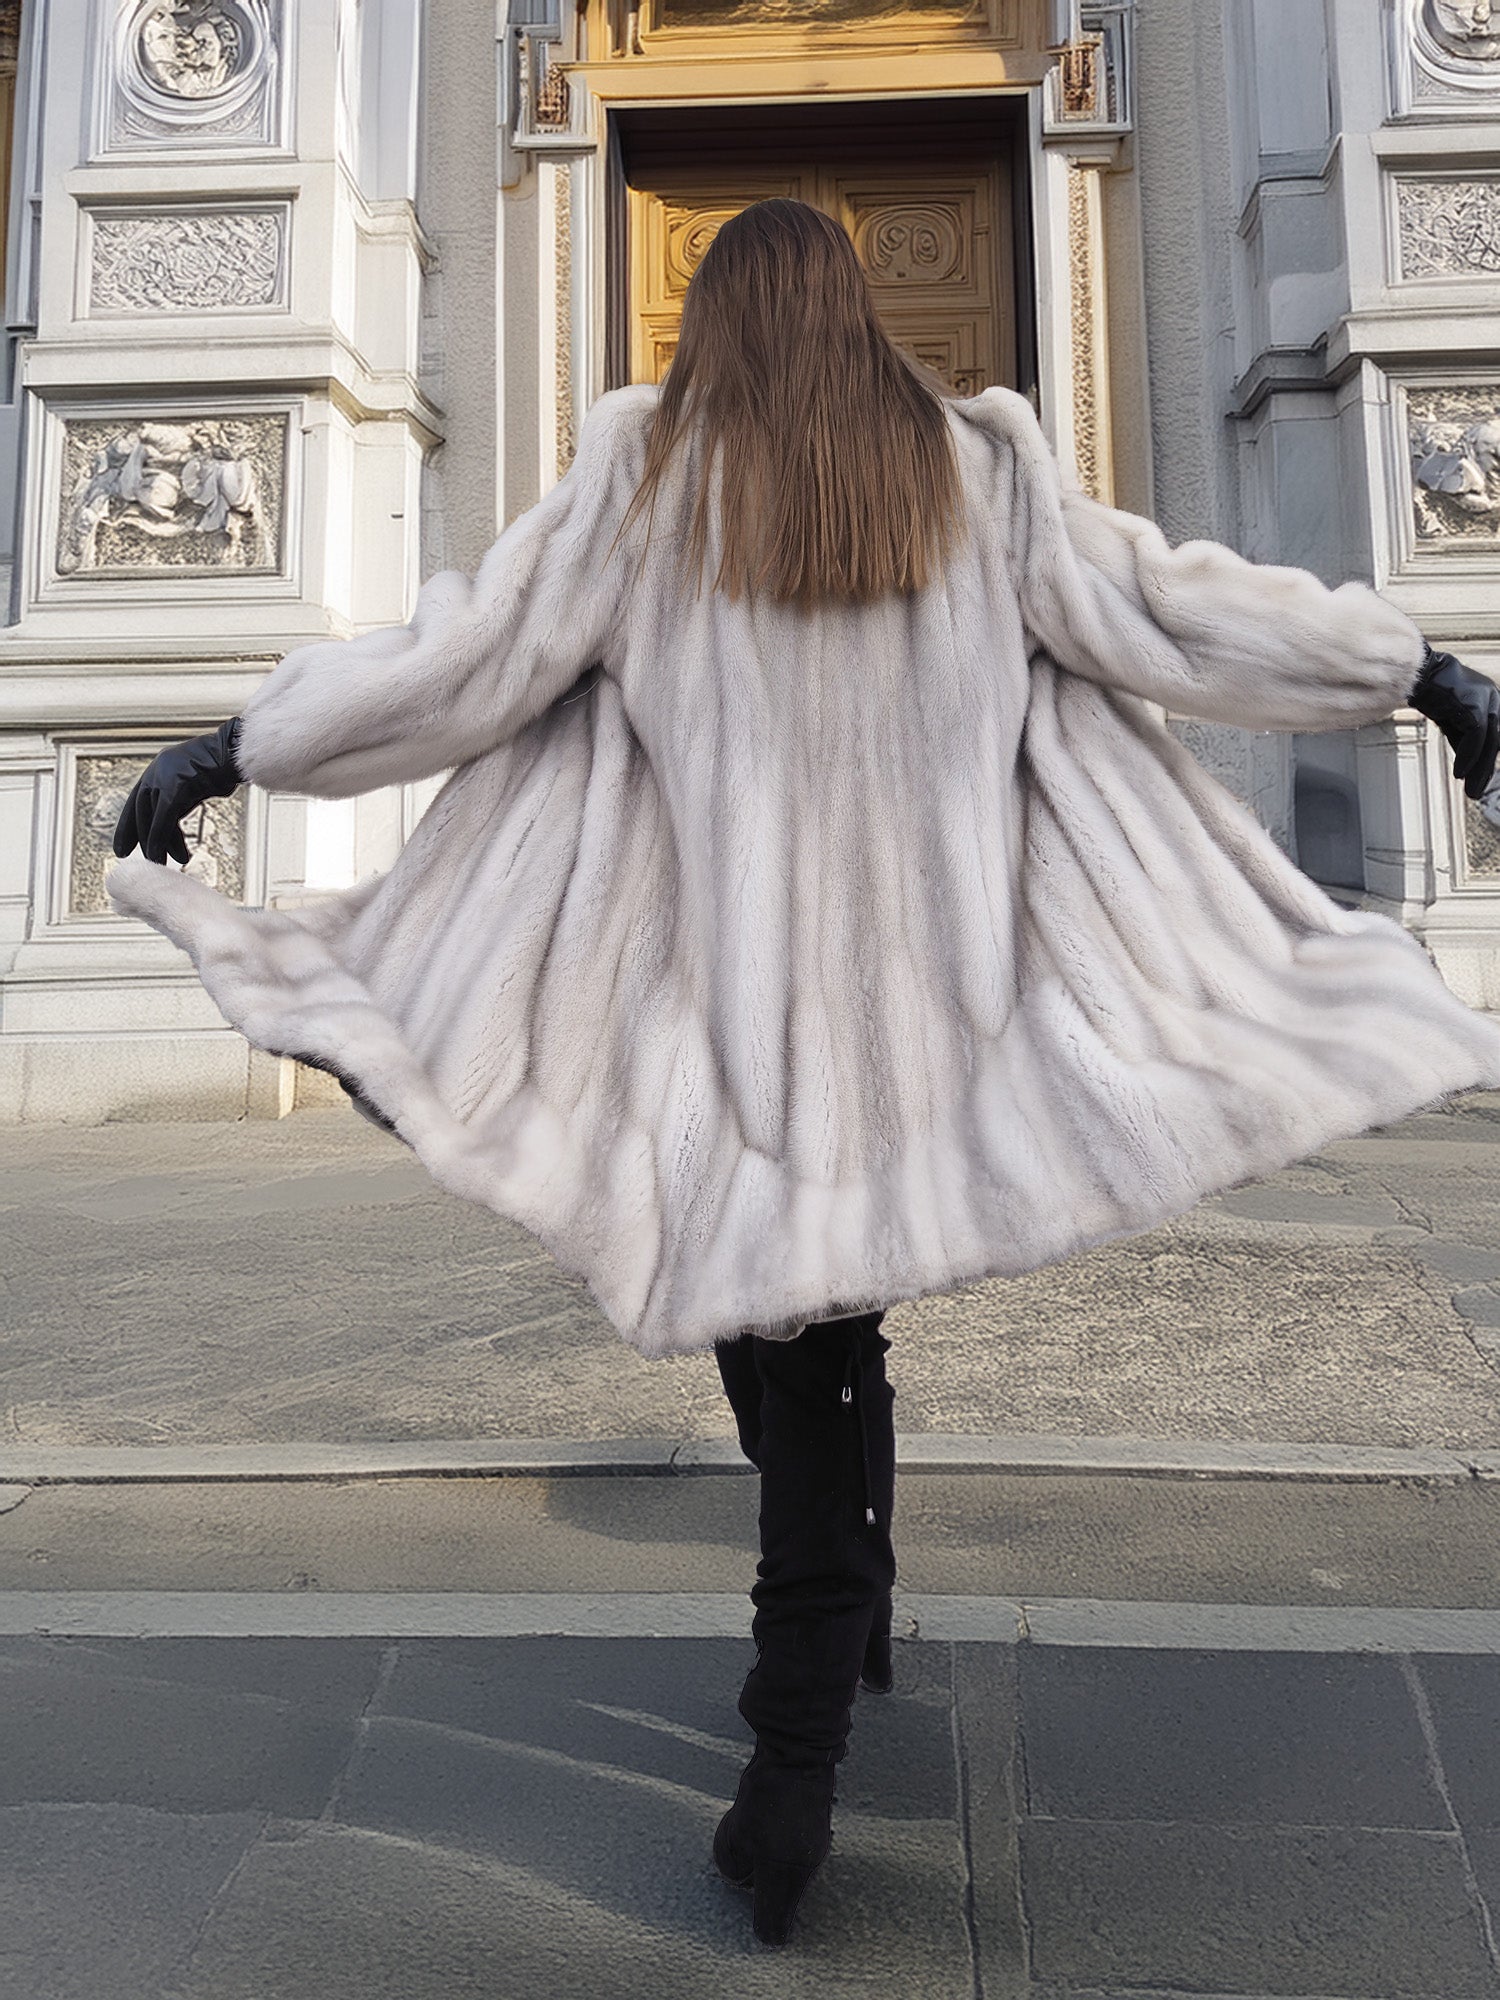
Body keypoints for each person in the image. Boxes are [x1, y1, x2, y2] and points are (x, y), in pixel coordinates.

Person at [109, 198, 1500, 1948]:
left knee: (798, 1351)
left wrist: (239, 744)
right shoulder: (978, 476)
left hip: (735, 1009)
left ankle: (792, 1776)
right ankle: (856, 1624)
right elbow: (1170, 613)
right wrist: (1418, 668)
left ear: (716, 319)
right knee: (808, 1336)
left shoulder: (648, 477)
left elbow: (463, 666)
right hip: (939, 1005)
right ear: (856, 313)